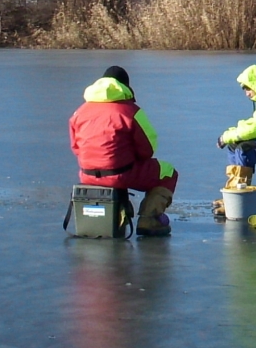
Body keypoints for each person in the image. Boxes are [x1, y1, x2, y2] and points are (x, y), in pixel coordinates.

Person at [69, 64, 177, 236]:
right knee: (168, 173)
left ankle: (114, 214)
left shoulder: (79, 112)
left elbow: (76, 147)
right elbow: (147, 149)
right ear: (125, 87)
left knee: (116, 168)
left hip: (87, 175)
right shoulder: (130, 111)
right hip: (121, 175)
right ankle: (150, 220)